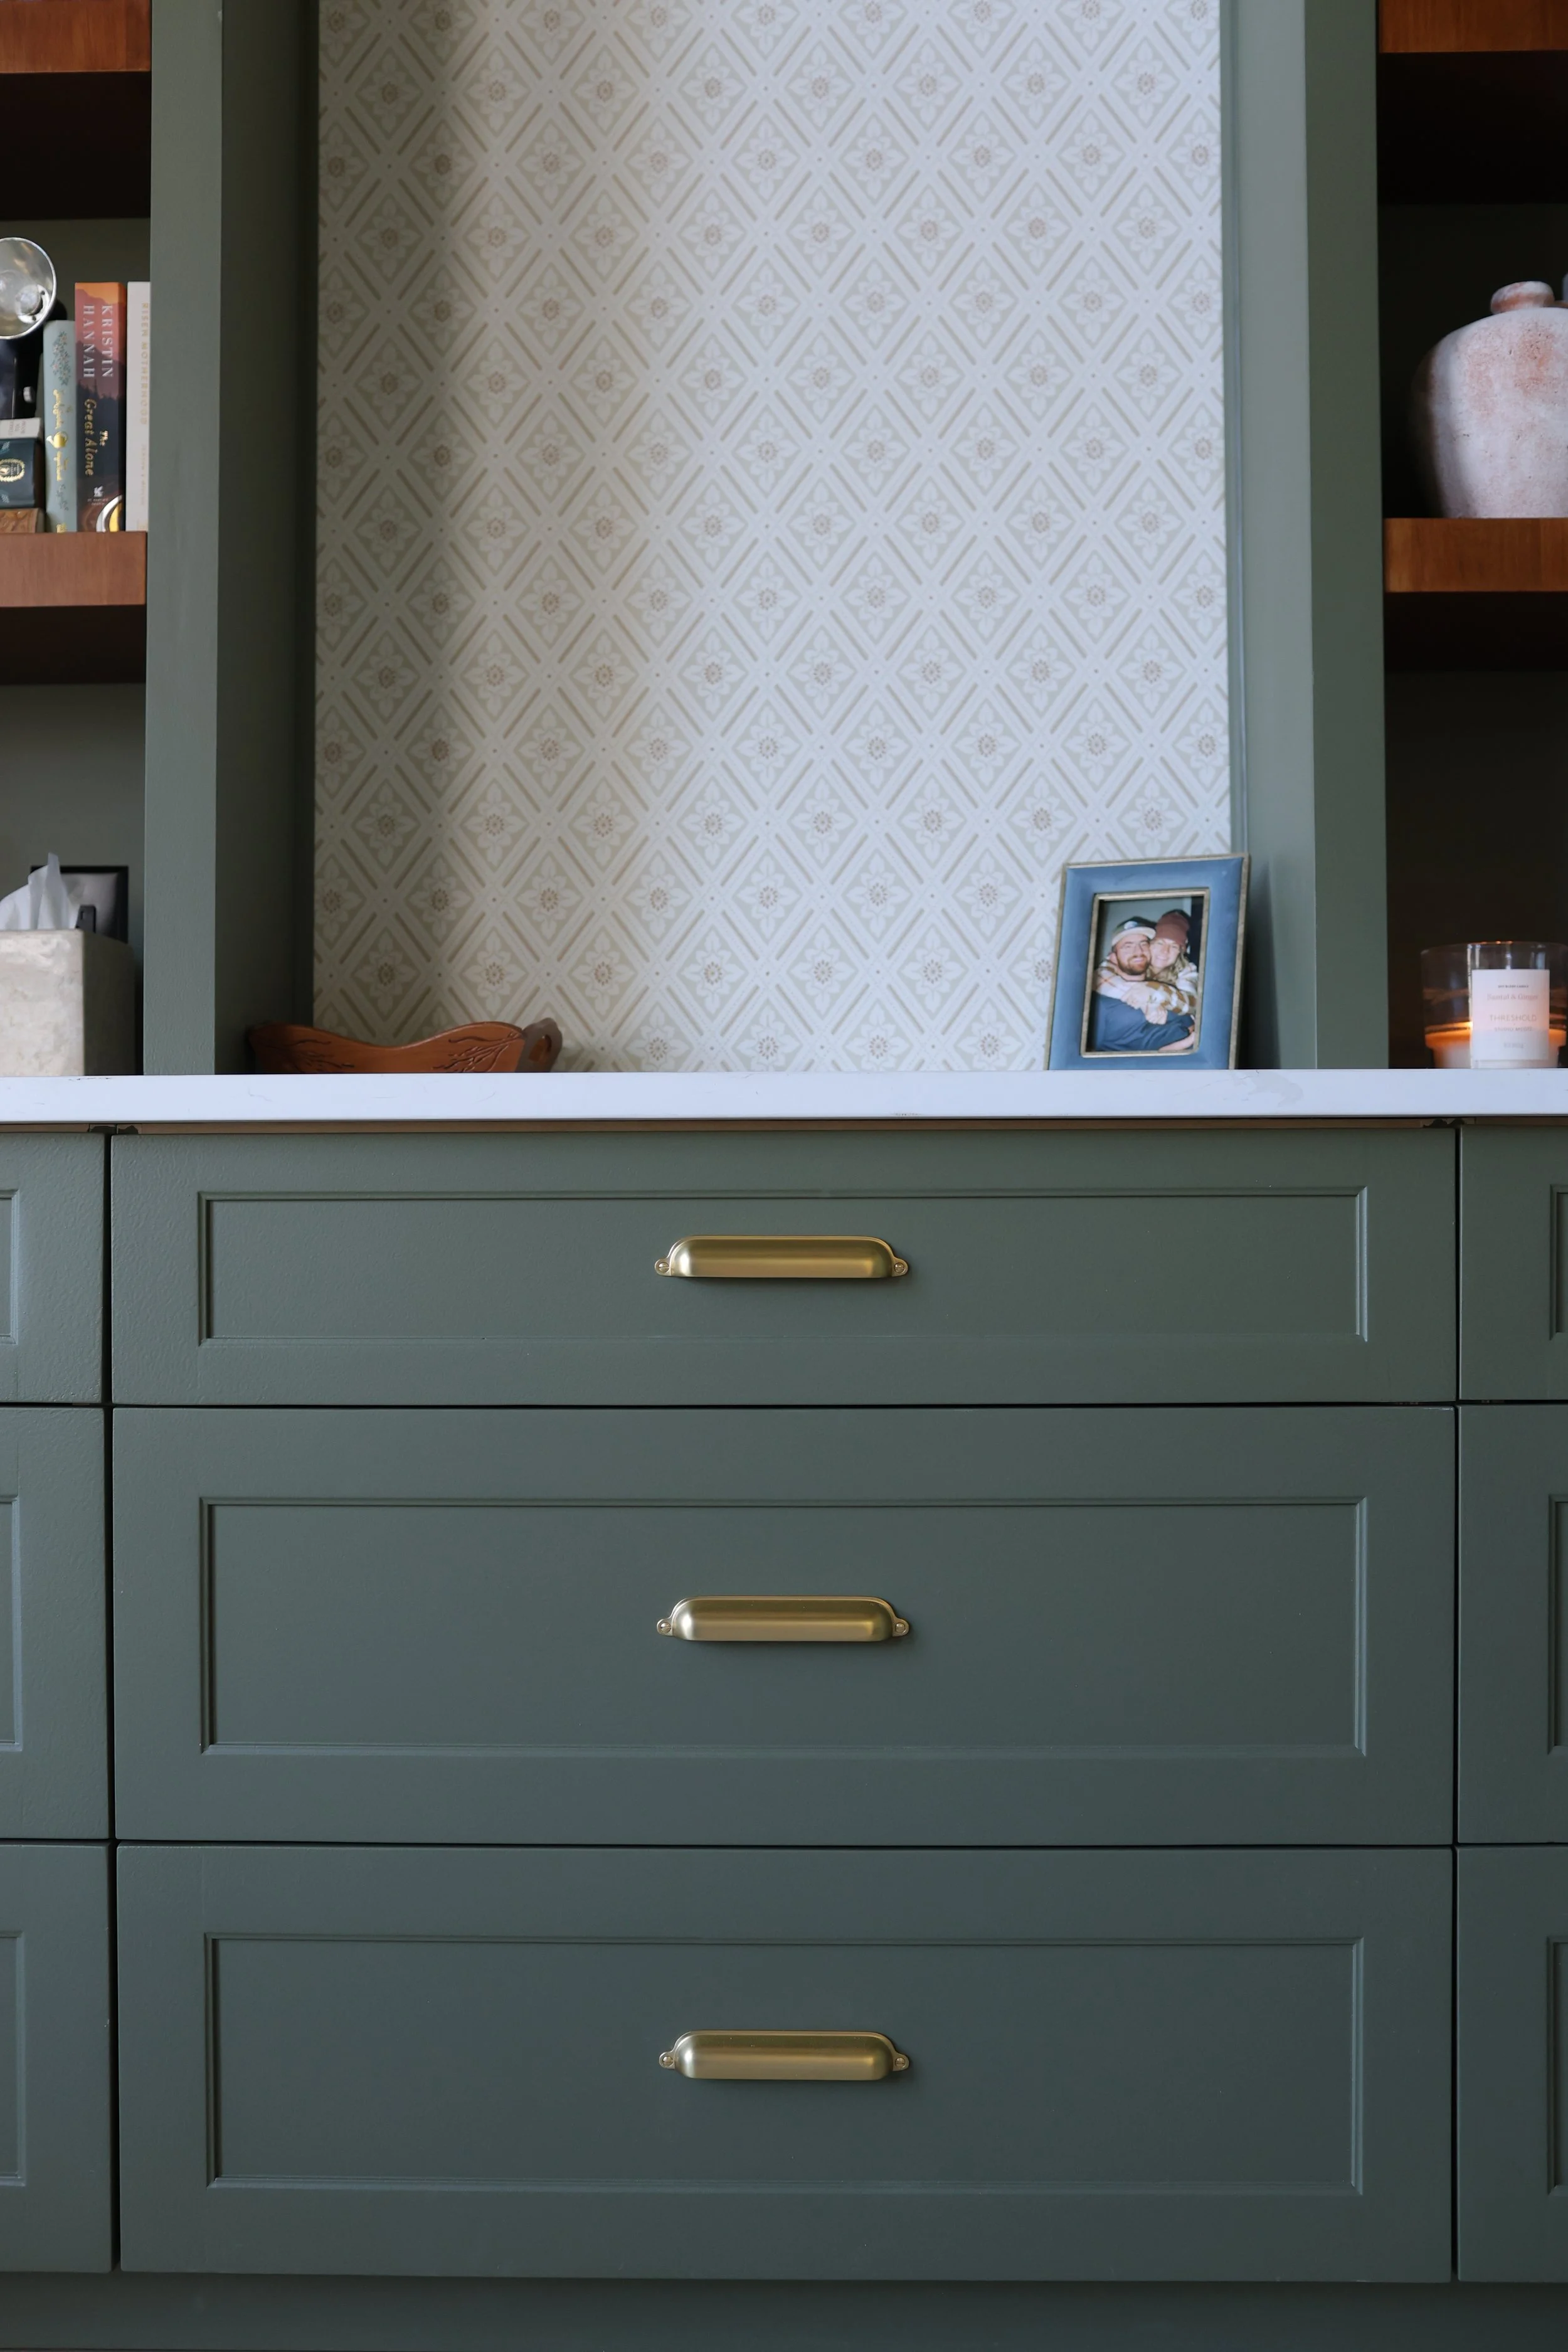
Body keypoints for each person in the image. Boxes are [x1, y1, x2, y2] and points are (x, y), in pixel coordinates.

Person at [1087, 913, 1195, 1052]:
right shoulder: (1100, 1005)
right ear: (1112, 957)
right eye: (1128, 946)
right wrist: (1148, 1002)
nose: (1138, 951)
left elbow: (1192, 1010)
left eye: (1143, 944)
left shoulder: (1182, 976)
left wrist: (1152, 993)